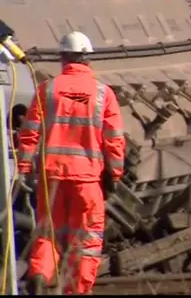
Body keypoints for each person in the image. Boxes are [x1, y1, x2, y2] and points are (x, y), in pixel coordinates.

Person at [16, 31, 126, 294]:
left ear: (63, 58)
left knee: (48, 231)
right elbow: (114, 139)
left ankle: (40, 274)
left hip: (51, 176)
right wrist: (116, 173)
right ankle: (77, 290)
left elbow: (29, 131)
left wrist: (24, 167)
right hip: (87, 180)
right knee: (86, 239)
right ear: (87, 59)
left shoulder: (48, 89)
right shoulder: (103, 93)